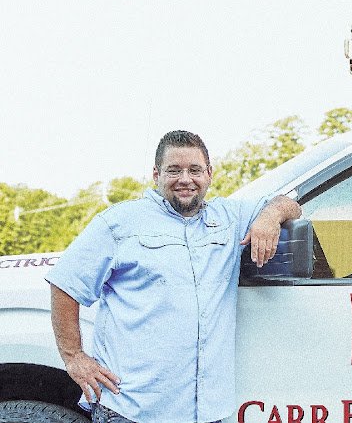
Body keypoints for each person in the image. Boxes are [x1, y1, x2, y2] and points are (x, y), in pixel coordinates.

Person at [46, 130, 301, 423]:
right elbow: (65, 283)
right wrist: (73, 357)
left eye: (195, 170)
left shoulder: (231, 218)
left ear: (209, 174)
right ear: (156, 175)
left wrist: (270, 217)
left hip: (207, 412)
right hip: (133, 409)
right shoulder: (118, 223)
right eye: (174, 170)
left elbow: (289, 203)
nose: (185, 179)